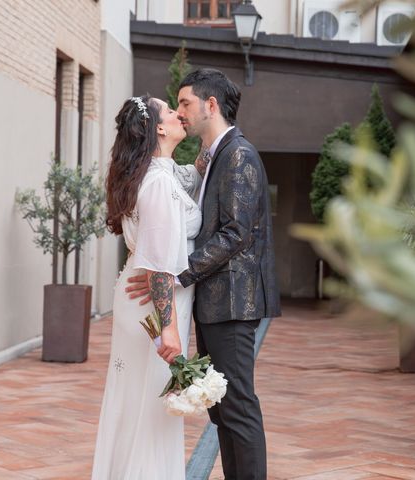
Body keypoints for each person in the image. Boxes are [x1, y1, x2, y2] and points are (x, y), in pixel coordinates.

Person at [127, 69, 281, 480]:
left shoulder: (239, 154)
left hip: (233, 301)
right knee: (224, 412)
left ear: (210, 105)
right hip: (216, 301)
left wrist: (177, 275)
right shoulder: (213, 155)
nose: (181, 112)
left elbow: (236, 232)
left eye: (185, 103)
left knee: (238, 408)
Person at [91, 94, 203, 480]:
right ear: (157, 127)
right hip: (154, 310)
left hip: (145, 301)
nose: (178, 114)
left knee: (141, 402)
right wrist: (168, 328)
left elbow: (199, 167)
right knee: (152, 407)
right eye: (172, 111)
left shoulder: (163, 173)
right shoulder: (156, 182)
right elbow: (157, 263)